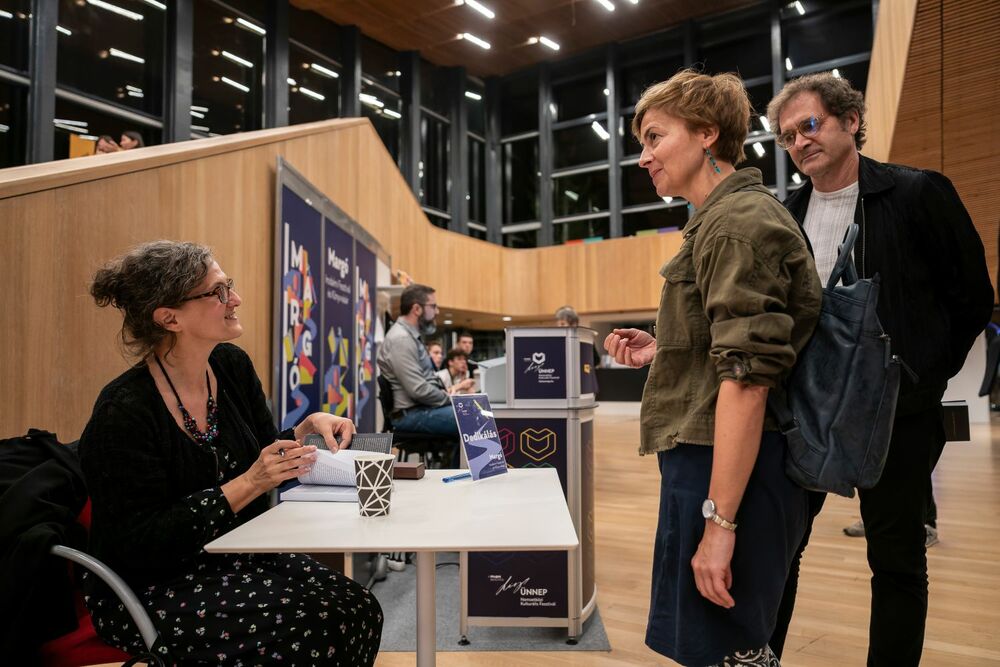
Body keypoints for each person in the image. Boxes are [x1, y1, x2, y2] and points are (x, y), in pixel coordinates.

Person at [766, 72, 993, 666]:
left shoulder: (919, 194)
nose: (800, 142)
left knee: (895, 560)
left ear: (850, 122)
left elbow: (970, 296)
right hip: (803, 412)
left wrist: (923, 376)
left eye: (810, 124)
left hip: (898, 412)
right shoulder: (784, 212)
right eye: (788, 136)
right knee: (778, 551)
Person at [605, 69, 822, 667]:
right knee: (724, 649)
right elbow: (728, 349)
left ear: (706, 133)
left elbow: (749, 382)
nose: (643, 156)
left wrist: (720, 523)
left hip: (732, 475)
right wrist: (666, 348)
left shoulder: (737, 225)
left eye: (654, 137)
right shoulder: (718, 223)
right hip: (712, 466)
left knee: (730, 654)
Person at [79, 241, 383, 665]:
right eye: (217, 292)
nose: (234, 299)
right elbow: (139, 542)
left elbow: (258, 454)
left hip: (236, 553)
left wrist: (305, 430)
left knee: (359, 607)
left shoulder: (231, 365)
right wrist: (252, 481)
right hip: (150, 584)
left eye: (230, 286)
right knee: (316, 623)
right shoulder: (123, 411)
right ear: (169, 318)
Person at [377, 284, 458, 438]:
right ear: (417, 309)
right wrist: (449, 400)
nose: (437, 311)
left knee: (472, 415)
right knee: (474, 419)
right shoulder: (401, 339)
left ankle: (451, 461)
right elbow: (418, 389)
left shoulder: (409, 337)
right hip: (411, 414)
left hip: (421, 409)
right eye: (433, 306)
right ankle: (453, 463)